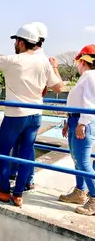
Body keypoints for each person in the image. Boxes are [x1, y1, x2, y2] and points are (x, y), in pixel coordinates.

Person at [0, 23, 63, 206]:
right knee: (25, 154)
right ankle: (18, 195)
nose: (14, 44)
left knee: (2, 151)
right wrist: (55, 68)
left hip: (16, 115)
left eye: (16, 41)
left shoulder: (14, 61)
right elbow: (58, 87)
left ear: (21, 43)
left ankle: (3, 190)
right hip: (36, 115)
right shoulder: (44, 62)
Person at [10, 21, 52, 190]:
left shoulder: (37, 58)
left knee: (26, 145)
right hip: (31, 110)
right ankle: (19, 176)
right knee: (22, 144)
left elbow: (50, 87)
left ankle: (27, 179)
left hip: (25, 110)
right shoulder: (40, 57)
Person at [58, 44, 95, 215]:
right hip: (76, 120)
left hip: (82, 122)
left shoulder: (89, 76)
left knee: (83, 161)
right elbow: (78, 102)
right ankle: (80, 192)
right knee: (77, 159)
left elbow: (89, 103)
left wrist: (82, 123)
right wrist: (69, 120)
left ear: (83, 61)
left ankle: (93, 199)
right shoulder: (87, 76)